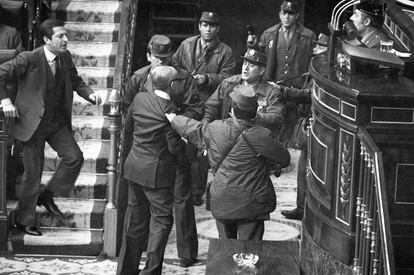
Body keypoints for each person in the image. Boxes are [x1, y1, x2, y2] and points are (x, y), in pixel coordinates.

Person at [0, 19, 101, 236]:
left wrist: (89, 94)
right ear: (47, 40)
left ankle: (46, 195)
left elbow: (76, 81)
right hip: (31, 124)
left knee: (74, 157)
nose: (66, 40)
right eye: (60, 36)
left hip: (55, 123)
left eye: (65, 35)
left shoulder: (64, 57)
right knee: (32, 173)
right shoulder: (28, 58)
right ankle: (24, 221)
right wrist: (5, 101)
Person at [166, 85, 290, 240]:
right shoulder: (263, 135)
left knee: (225, 251)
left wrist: (173, 117)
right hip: (253, 204)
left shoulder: (215, 129)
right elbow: (284, 159)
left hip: (222, 200)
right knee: (249, 254)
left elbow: (190, 127)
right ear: (256, 112)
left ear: (232, 110)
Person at [121, 35, 202, 267]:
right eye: (158, 58)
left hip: (173, 150)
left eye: (166, 58)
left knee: (182, 200)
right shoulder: (138, 78)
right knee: (152, 215)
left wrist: (178, 122)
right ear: (149, 56)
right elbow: (129, 109)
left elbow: (196, 108)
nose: (162, 63)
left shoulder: (183, 78)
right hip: (154, 153)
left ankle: (187, 253)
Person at [117, 66, 184, 275]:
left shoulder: (138, 99)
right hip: (157, 176)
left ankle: (126, 270)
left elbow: (128, 128)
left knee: (135, 222)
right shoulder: (169, 110)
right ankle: (151, 271)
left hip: (134, 168)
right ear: (172, 85)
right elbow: (175, 148)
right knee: (161, 222)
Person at [172, 11, 235, 207]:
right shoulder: (186, 45)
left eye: (212, 26)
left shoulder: (225, 51)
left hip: (210, 104)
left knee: (202, 149)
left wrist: (207, 78)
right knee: (182, 145)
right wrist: (186, 76)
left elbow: (228, 78)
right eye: (205, 25)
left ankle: (197, 191)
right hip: (186, 101)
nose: (208, 29)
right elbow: (174, 67)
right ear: (199, 26)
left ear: (218, 29)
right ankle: (180, 188)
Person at [248, 1, 315, 146]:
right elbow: (258, 61)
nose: (287, 17)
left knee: (291, 133)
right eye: (284, 13)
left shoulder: (308, 36)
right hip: (272, 90)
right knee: (270, 130)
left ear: (297, 16)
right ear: (279, 14)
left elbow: (312, 66)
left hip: (295, 94)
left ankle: (284, 161)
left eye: (291, 13)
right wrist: (251, 46)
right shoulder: (269, 34)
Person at [279, 34, 329, 220]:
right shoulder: (316, 68)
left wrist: (284, 91)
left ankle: (308, 212)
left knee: (312, 171)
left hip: (317, 126)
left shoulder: (325, 72)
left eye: (319, 47)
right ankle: (301, 208)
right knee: (302, 169)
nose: (314, 50)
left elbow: (309, 94)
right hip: (309, 123)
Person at [203, 49, 285, 137]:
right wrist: (205, 126)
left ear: (261, 71)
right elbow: (211, 107)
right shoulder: (228, 84)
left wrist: (251, 116)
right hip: (227, 134)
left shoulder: (272, 93)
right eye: (245, 63)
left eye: (251, 65)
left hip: (254, 138)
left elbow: (276, 117)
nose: (246, 68)